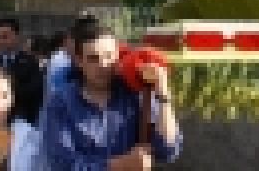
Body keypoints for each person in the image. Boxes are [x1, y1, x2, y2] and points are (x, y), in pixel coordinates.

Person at [42, 24, 181, 170]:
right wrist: (120, 165)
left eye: (109, 56)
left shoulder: (135, 93)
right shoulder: (61, 103)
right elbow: (62, 164)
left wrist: (163, 90)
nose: (103, 65)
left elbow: (168, 150)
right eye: (93, 58)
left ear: (117, 55)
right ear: (79, 61)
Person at [0, 18, 44, 124]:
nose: (1, 41)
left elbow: (35, 91)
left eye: (5, 37)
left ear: (16, 37)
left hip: (23, 119)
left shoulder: (30, 62)